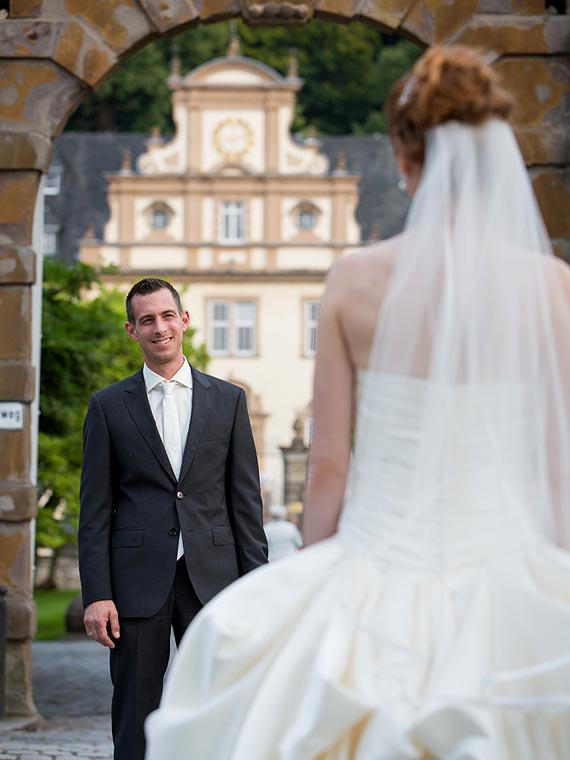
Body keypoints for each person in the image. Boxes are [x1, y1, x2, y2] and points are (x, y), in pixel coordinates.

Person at [145, 47, 570, 760]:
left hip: (381, 570)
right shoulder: (552, 287)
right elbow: (559, 467)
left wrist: (318, 579)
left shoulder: (356, 279)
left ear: (403, 155)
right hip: (509, 577)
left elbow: (329, 466)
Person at [78, 277, 268, 760]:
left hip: (215, 578)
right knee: (135, 713)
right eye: (146, 320)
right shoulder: (107, 406)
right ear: (131, 330)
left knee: (221, 706)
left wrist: (258, 590)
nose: (158, 328)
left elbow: (245, 503)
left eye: (166, 316)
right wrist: (97, 594)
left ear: (183, 320)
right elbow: (95, 510)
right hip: (136, 582)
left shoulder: (228, 400)